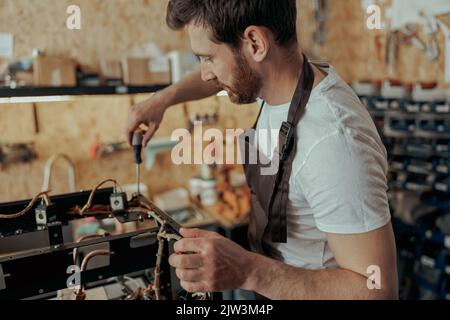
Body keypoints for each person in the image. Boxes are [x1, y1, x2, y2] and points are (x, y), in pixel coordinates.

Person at [125, 0, 398, 300]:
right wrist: (161, 100)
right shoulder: (277, 79)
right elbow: (227, 71)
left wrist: (249, 271)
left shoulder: (334, 143)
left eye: (208, 58)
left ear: (255, 43)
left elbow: (379, 291)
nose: (205, 74)